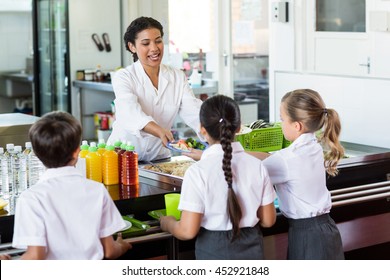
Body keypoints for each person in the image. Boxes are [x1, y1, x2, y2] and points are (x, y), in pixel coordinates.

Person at [160, 95, 276, 260]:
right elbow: (268, 220)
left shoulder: (197, 172)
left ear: (202, 130)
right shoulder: (257, 166)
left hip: (213, 250)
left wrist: (168, 223)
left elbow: (187, 231)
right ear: (238, 128)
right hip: (252, 250)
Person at [12, 111, 131, 260]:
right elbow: (109, 251)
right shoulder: (97, 190)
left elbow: (35, 256)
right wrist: (121, 245)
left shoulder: (31, 198)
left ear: (36, 154)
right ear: (77, 152)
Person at [250, 89, 345, 260]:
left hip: (307, 235)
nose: (281, 123)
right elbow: (274, 159)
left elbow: (251, 172)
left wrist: (220, 154)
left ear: (297, 126)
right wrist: (238, 152)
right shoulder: (312, 146)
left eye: (282, 119)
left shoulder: (287, 159)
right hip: (327, 229)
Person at [108, 16, 203, 161]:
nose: (154, 48)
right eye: (146, 43)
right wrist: (158, 130)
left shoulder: (177, 76)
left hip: (158, 157)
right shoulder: (124, 76)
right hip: (123, 157)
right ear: (132, 47)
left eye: (158, 41)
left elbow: (193, 112)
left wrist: (217, 130)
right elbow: (129, 112)